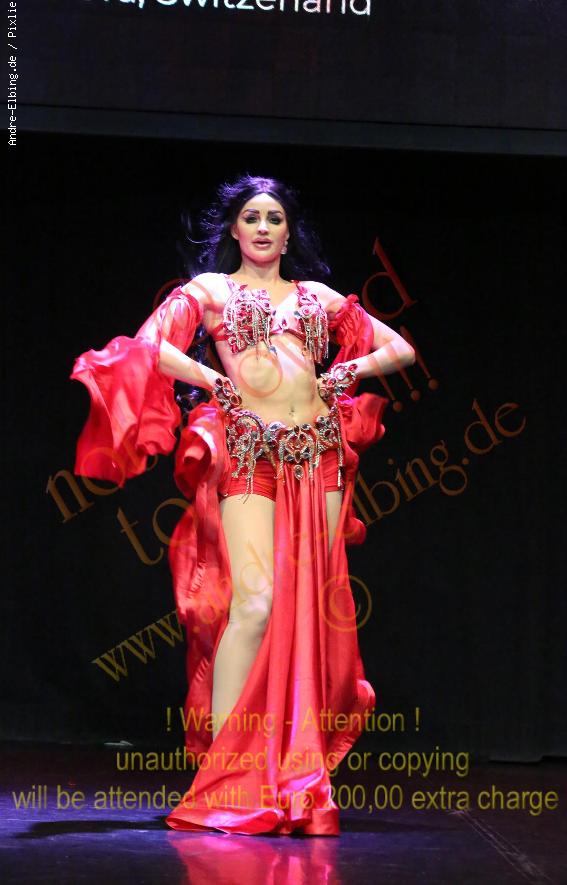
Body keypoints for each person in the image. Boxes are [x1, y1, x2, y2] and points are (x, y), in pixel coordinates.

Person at [70, 175, 416, 836]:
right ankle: (227, 771)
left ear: (288, 233)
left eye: (274, 218)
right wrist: (209, 376)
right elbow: (150, 345)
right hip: (251, 449)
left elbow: (400, 350)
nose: (262, 227)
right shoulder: (212, 291)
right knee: (255, 603)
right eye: (251, 217)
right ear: (234, 228)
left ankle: (295, 770)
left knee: (311, 604)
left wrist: (349, 370)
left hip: (317, 453)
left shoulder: (316, 297)